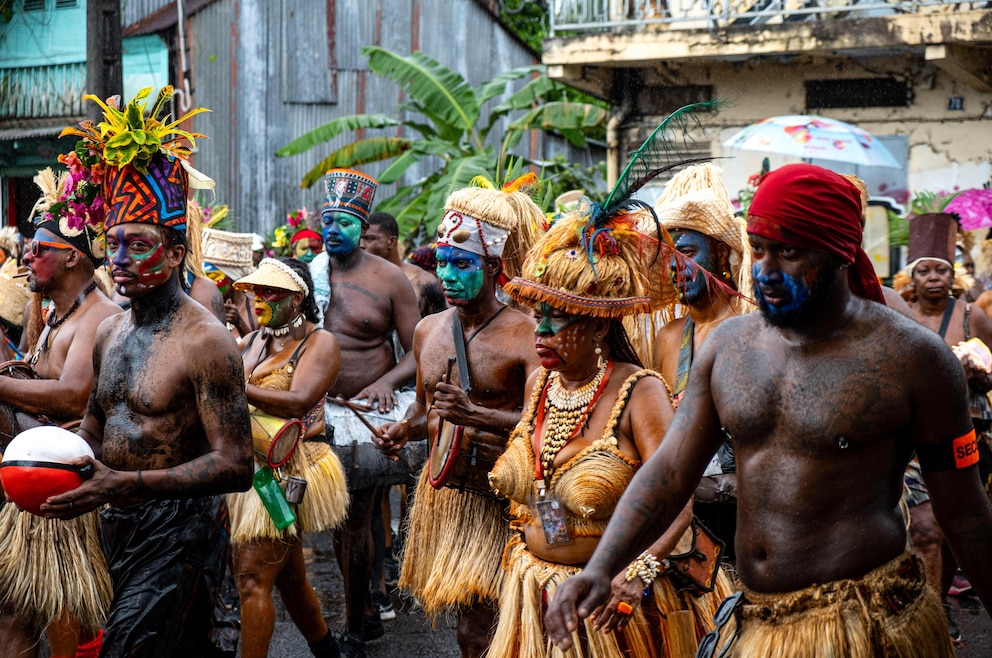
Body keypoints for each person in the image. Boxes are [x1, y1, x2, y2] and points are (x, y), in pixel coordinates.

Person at [545, 163, 992, 657]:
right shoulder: (731, 348)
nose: (765, 269)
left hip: (864, 624)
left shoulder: (912, 359)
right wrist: (601, 568)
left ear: (840, 253)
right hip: (758, 620)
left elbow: (966, 513)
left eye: (790, 252)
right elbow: (670, 472)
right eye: (759, 248)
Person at [40, 92, 254, 657]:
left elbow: (236, 465)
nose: (121, 259)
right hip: (116, 525)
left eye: (140, 245)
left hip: (182, 533)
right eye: (113, 245)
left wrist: (127, 484)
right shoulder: (111, 332)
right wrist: (43, 464)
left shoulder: (206, 341)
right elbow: (92, 427)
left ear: (177, 253)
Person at [486, 195, 732, 657]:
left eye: (557, 318)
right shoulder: (539, 384)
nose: (539, 331)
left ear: (599, 327)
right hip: (537, 592)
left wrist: (635, 575)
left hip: (616, 610)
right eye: (537, 315)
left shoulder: (640, 391)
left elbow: (676, 496)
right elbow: (540, 480)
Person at [374, 179, 542, 657]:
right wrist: (402, 430)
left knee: (503, 626)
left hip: (502, 502)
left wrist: (479, 415)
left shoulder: (526, 334)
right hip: (446, 497)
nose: (447, 274)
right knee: (471, 630)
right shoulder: (429, 331)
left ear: (493, 267)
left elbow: (546, 426)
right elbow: (425, 410)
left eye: (462, 264)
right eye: (442, 262)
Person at [0, 165, 121, 658]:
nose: (27, 256)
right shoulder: (54, 314)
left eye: (39, 249)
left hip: (71, 492)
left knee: (69, 617)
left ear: (73, 257)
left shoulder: (100, 317)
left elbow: (73, 396)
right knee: (14, 612)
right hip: (36, 486)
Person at [309, 168, 422, 654]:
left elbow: (421, 349)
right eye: (327, 220)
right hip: (317, 412)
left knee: (358, 519)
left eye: (345, 222)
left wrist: (387, 380)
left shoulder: (389, 279)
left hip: (364, 416)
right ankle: (364, 609)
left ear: (361, 225)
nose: (334, 229)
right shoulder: (308, 274)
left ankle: (356, 625)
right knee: (337, 521)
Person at [228, 257, 349, 658]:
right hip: (250, 467)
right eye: (256, 292)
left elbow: (298, 401)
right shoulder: (251, 341)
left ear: (296, 299)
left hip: (290, 470)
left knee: (252, 579)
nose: (258, 300)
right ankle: (328, 651)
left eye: (269, 292)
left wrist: (233, 387)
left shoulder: (320, 342)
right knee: (290, 577)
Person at [651, 163, 754, 560]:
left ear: (722, 254)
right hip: (686, 512)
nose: (676, 265)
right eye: (670, 256)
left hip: (746, 511)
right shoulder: (669, 337)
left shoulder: (750, 324)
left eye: (688, 252)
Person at [900, 211, 992, 642]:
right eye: (925, 271)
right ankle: (934, 613)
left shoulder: (973, 316)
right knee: (925, 527)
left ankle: (945, 604)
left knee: (959, 524)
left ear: (952, 275)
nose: (933, 278)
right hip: (916, 440)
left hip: (967, 437)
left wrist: (977, 371)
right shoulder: (900, 317)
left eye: (941, 270)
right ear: (912, 278)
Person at [361, 211, 446, 317]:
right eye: (360, 238)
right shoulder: (354, 277)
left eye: (369, 239)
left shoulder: (422, 282)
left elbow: (438, 328)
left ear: (391, 242)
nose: (361, 245)